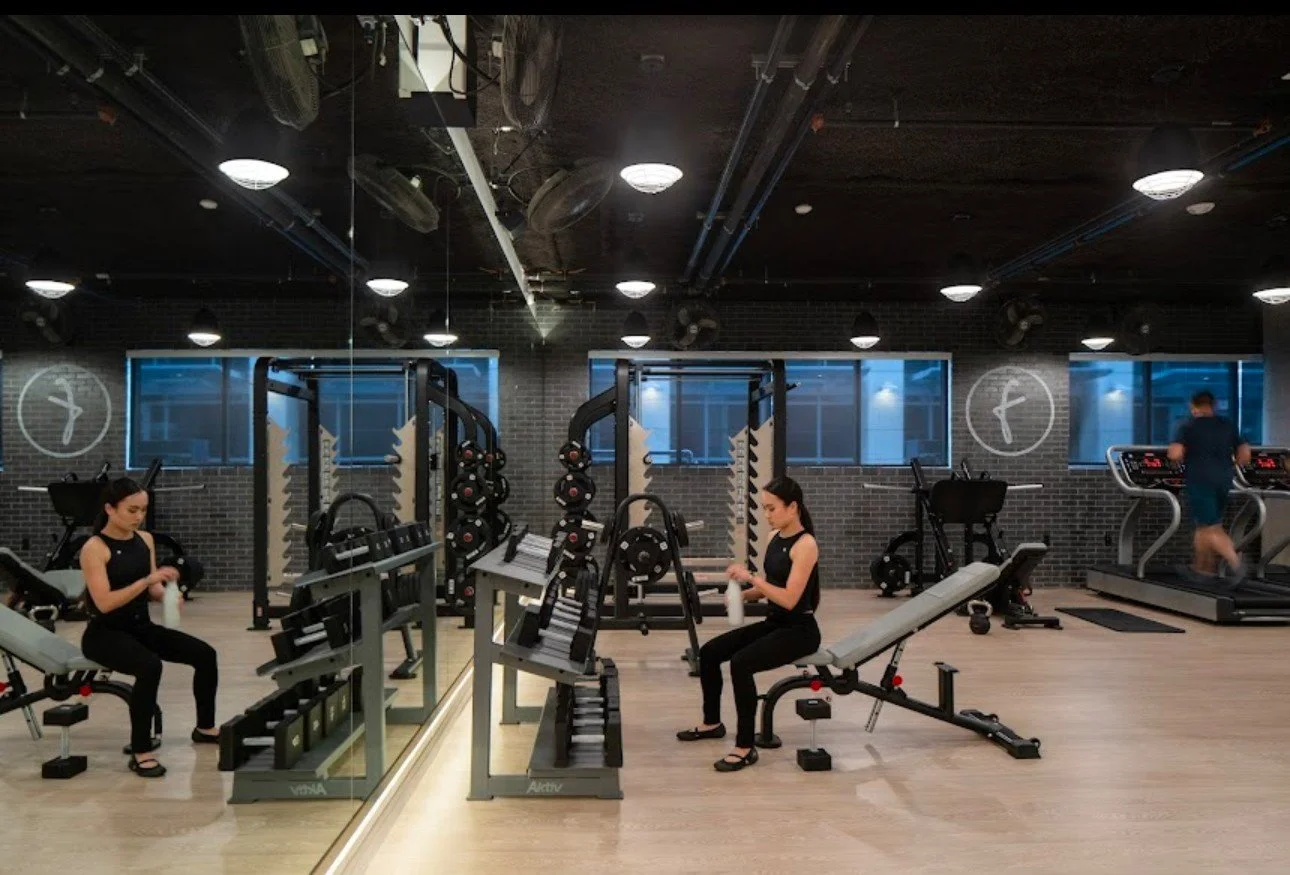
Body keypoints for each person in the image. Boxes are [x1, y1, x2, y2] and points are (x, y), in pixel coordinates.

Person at [676, 477, 822, 772]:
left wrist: (751, 578)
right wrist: (744, 594)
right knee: (710, 652)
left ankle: (744, 747)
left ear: (792, 507)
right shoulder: (774, 537)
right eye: (764, 509)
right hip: (775, 623)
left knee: (741, 663)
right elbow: (771, 586)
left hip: (800, 632)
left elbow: (791, 598)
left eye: (771, 509)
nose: (767, 516)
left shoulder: (805, 545)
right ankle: (712, 723)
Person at [79, 477, 220, 778]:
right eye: (132, 510)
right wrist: (145, 582)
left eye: (143, 510)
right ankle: (141, 750)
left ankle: (205, 728)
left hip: (140, 627)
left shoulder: (145, 541)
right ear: (109, 509)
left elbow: (152, 591)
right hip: (105, 634)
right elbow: (104, 602)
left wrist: (169, 591)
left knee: (205, 654)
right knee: (149, 666)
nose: (138, 517)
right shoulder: (94, 548)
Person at [1168, 390, 1252, 583]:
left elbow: (1175, 454)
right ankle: (1202, 569)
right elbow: (1245, 454)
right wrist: (1230, 466)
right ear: (1213, 406)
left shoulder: (1188, 425)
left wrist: (1180, 455)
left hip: (1200, 479)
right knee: (1204, 525)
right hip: (1224, 479)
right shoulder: (1227, 424)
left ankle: (1236, 563)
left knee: (1211, 528)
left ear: (1193, 406)